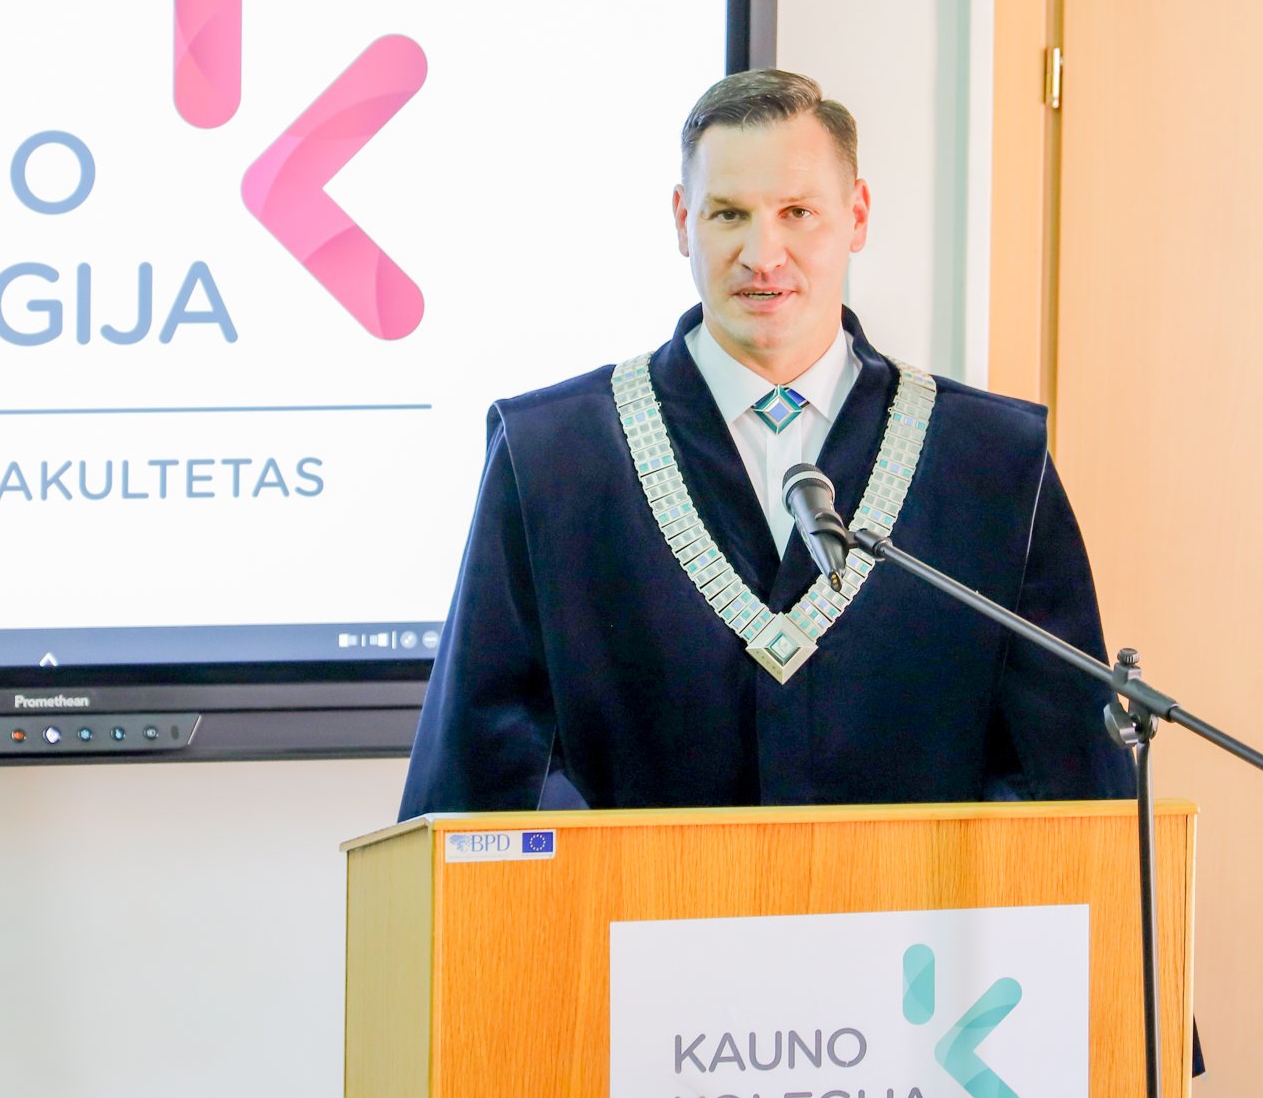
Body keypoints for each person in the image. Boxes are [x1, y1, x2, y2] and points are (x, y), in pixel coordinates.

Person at [397, 69, 1134, 820]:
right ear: (682, 220)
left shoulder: (993, 463)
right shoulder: (550, 457)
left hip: (919, 901)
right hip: (635, 898)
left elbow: (1065, 784)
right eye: (728, 214)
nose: (763, 254)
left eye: (797, 213)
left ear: (857, 216)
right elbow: (483, 783)